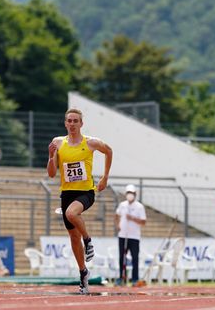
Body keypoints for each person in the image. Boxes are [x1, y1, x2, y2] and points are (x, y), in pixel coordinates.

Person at [47, 108, 113, 294]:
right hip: (66, 193)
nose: (73, 124)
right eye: (70, 120)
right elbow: (52, 174)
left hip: (85, 192)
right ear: (65, 123)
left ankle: (89, 241)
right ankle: (83, 272)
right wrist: (51, 156)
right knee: (72, 237)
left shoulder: (90, 143)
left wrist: (105, 177)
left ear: (81, 124)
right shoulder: (57, 143)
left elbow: (109, 151)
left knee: (71, 213)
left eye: (76, 121)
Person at [114, 184, 146, 286]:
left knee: (135, 257)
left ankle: (134, 279)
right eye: (128, 193)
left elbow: (143, 221)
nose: (129, 195)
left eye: (131, 193)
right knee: (122, 258)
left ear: (135, 194)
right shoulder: (122, 205)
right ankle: (121, 277)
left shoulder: (139, 206)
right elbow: (117, 215)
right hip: (123, 235)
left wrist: (132, 218)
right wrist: (118, 225)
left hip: (134, 236)